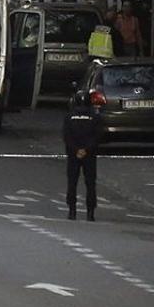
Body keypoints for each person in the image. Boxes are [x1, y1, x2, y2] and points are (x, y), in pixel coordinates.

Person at [63, 91, 101, 221]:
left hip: (73, 154)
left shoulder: (69, 117)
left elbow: (66, 136)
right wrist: (86, 149)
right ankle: (90, 213)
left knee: (72, 182)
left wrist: (76, 150)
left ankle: (72, 211)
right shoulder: (94, 117)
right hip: (89, 154)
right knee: (90, 183)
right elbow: (97, 136)